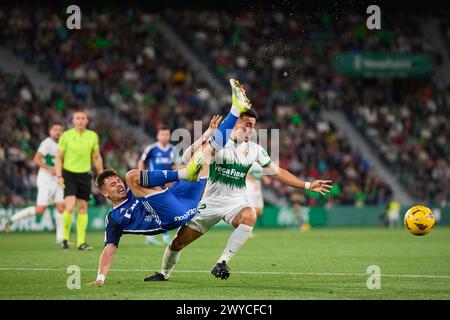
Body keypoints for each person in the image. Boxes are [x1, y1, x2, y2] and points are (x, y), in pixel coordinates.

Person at [145, 81, 333, 282]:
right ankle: (164, 273)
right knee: (178, 243)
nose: (251, 129)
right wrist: (208, 134)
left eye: (253, 126)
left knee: (250, 215)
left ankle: (222, 262)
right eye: (247, 124)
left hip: (235, 203)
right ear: (236, 123)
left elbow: (278, 172)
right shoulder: (219, 142)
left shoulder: (255, 150)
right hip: (208, 203)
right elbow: (188, 159)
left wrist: (307, 185)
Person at [89, 79, 249, 285]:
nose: (119, 185)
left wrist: (207, 134)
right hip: (167, 216)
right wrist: (100, 278)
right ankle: (186, 172)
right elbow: (109, 249)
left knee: (206, 152)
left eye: (117, 181)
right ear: (105, 194)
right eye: (112, 185)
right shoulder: (114, 218)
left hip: (185, 203)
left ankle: (235, 109)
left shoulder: (133, 192)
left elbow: (180, 164)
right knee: (133, 175)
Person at [4, 122, 65, 243]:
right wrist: (49, 169)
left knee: (61, 207)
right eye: (55, 129)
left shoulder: (63, 144)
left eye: (59, 130)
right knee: (40, 210)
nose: (57, 132)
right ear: (50, 131)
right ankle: (12, 219)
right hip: (46, 180)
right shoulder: (47, 143)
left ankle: (61, 239)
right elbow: (36, 159)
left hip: (57, 179)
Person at [55, 110, 104, 251]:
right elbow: (58, 157)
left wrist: (101, 175)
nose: (81, 120)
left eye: (83, 118)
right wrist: (59, 175)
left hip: (85, 175)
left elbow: (96, 157)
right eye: (78, 118)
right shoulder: (66, 136)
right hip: (69, 174)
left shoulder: (92, 136)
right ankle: (65, 239)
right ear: (73, 121)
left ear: (87, 121)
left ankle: (81, 242)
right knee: (69, 207)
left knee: (83, 207)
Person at [138, 126, 176, 245]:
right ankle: (164, 236)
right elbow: (141, 162)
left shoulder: (172, 150)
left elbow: (174, 166)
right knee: (161, 209)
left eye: (167, 134)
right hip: (153, 182)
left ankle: (151, 237)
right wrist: (142, 177)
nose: (165, 137)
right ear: (158, 136)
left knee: (157, 210)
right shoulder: (152, 149)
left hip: (166, 184)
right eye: (162, 134)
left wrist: (177, 177)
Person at [245, 162, 270, 237]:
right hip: (249, 187)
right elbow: (246, 173)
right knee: (251, 210)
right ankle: (246, 230)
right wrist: (253, 181)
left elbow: (259, 173)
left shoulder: (260, 162)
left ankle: (243, 226)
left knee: (259, 211)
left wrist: (265, 178)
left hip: (257, 188)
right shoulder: (250, 160)